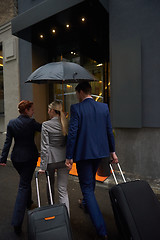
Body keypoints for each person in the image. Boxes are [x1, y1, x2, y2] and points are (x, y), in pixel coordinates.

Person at [65, 81, 118, 240]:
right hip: (101, 153)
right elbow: (109, 130)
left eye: (76, 93)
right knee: (90, 182)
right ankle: (87, 204)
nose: (76, 96)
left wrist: (69, 156)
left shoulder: (76, 108)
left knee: (87, 187)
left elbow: (73, 133)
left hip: (84, 154)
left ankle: (102, 230)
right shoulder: (103, 107)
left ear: (81, 92)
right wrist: (112, 152)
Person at [0, 100, 41, 235]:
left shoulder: (12, 123)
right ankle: (17, 222)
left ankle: (28, 202)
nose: (33, 111)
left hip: (16, 158)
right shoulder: (31, 123)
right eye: (31, 109)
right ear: (26, 110)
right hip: (29, 158)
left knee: (25, 180)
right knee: (23, 185)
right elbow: (43, 128)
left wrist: (3, 158)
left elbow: (8, 142)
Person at [39, 100, 70, 214]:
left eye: (48, 110)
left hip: (51, 160)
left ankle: (52, 209)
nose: (48, 112)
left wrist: (42, 166)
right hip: (64, 159)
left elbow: (45, 147)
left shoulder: (46, 125)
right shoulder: (66, 123)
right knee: (63, 190)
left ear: (52, 110)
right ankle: (66, 216)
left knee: (50, 184)